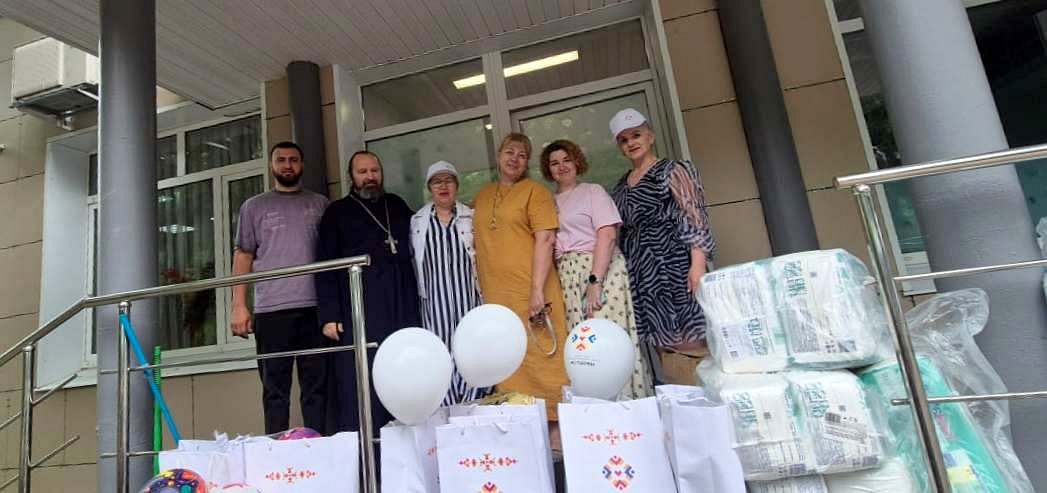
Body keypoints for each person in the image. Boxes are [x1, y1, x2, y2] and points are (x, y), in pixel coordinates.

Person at [314, 150, 421, 433]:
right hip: (360, 310)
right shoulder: (336, 213)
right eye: (362, 172)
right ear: (351, 177)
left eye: (374, 171)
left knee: (403, 374)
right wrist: (329, 315)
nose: (370, 177)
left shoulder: (395, 205)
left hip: (400, 305)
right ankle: (370, 449)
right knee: (364, 380)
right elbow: (325, 265)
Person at [539, 139, 653, 399]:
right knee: (582, 348)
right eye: (554, 163)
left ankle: (627, 405)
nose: (561, 166)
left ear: (577, 162)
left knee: (607, 340)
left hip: (599, 269)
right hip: (567, 276)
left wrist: (595, 281)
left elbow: (607, 235)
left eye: (566, 160)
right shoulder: (548, 202)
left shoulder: (593, 191)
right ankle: (594, 412)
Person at [231, 141, 330, 434]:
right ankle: (275, 450)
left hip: (315, 309)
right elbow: (243, 255)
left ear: (302, 164)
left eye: (293, 159)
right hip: (271, 311)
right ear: (272, 165)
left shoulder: (320, 204)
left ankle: (317, 446)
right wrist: (239, 305)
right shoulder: (254, 207)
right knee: (275, 391)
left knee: (317, 389)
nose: (288, 165)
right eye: (281, 160)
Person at [473, 133, 569, 422]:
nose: (514, 159)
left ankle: (555, 431)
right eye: (509, 152)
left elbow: (546, 239)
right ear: (498, 156)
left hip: (532, 292)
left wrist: (537, 291)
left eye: (522, 155)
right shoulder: (483, 195)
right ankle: (519, 429)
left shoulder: (536, 192)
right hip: (497, 297)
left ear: (527, 163)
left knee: (543, 359)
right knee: (508, 358)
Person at [609, 108, 717, 356]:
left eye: (636, 135)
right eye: (624, 140)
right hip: (643, 270)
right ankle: (674, 380)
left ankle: (697, 379)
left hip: (675, 264)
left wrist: (697, 266)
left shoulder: (673, 170)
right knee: (662, 343)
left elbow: (695, 216)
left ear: (651, 136)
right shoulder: (621, 186)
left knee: (691, 338)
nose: (631, 143)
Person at [409, 161, 488, 405]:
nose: (443, 186)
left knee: (473, 351)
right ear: (429, 188)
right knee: (440, 355)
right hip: (435, 305)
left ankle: (473, 406)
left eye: (448, 180)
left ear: (457, 185)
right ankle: (447, 408)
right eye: (437, 181)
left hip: (468, 300)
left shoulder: (470, 217)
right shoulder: (417, 222)